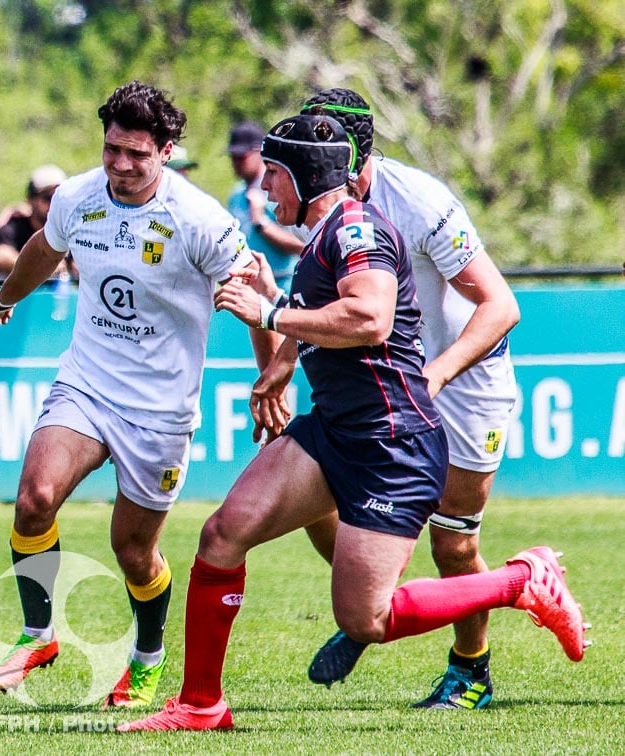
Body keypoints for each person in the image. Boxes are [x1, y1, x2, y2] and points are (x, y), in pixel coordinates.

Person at [118, 113, 587, 732]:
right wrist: (277, 338)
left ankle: (522, 579)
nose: (265, 193)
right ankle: (202, 704)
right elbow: (315, 312)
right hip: (335, 430)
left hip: (389, 443)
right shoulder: (322, 232)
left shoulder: (355, 228)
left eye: (274, 178)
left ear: (308, 178)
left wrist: (272, 314)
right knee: (222, 536)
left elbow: (370, 320)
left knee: (366, 619)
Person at [0, 80, 252, 709]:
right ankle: (38, 635)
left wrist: (271, 373)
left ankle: (148, 660)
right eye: (111, 150)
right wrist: (3, 300)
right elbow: (42, 251)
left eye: (137, 154)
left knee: (133, 551)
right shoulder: (76, 196)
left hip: (160, 409)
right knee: (33, 499)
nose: (121, 166)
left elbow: (248, 281)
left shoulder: (198, 218)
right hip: (88, 381)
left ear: (167, 150)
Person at [297, 88, 523, 710]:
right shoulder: (322, 208)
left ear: (349, 152)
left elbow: (501, 306)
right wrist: (281, 366)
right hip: (384, 385)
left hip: (463, 382)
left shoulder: (418, 201)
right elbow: (322, 302)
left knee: (452, 543)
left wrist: (438, 374)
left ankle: (470, 670)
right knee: (316, 503)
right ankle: (369, 606)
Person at [226, 121, 303, 293]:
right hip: (248, 285)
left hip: (282, 282)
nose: (236, 163)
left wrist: (261, 222)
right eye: (233, 157)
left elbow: (300, 245)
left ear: (259, 152)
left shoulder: (279, 191)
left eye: (241, 157)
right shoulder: (236, 195)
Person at [0, 164, 70, 277]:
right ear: (30, 200)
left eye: (60, 198)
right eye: (48, 198)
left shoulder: (68, 228)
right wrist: (42, 268)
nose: (54, 204)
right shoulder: (15, 225)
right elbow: (1, 257)